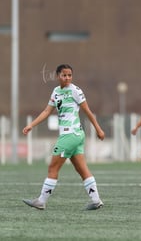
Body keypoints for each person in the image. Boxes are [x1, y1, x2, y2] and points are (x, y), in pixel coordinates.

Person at [22, 64, 105, 210]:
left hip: (70, 135)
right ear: (57, 76)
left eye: (69, 75)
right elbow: (47, 111)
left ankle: (41, 201)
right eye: (64, 75)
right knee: (82, 169)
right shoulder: (56, 91)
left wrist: (98, 129)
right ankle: (96, 200)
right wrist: (31, 125)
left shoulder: (75, 91)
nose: (67, 78)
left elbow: (88, 111)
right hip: (75, 135)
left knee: (52, 167)